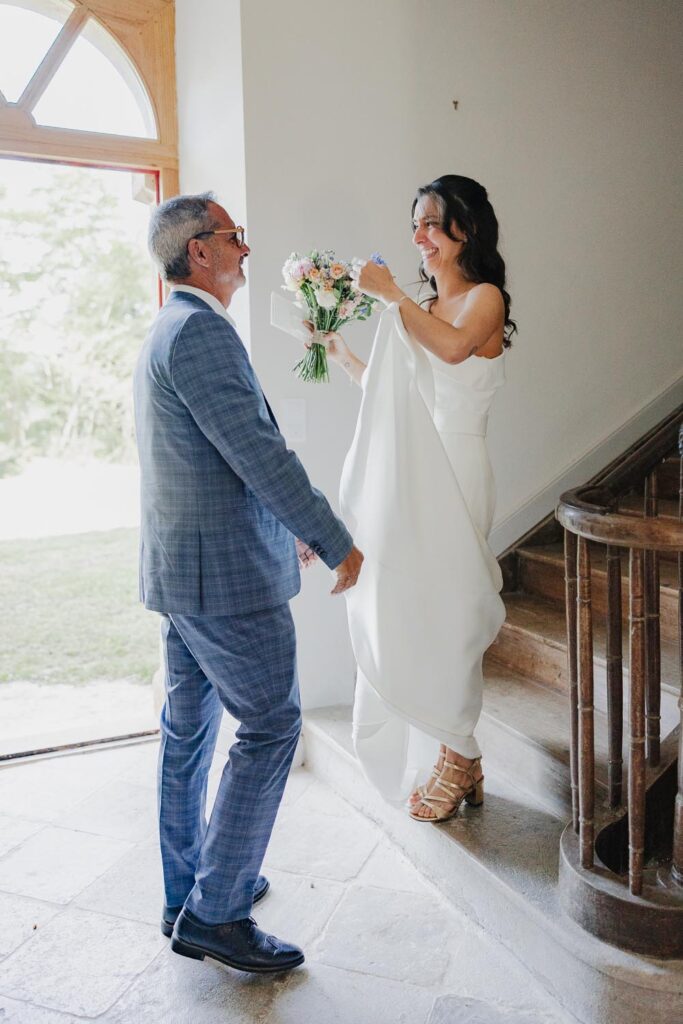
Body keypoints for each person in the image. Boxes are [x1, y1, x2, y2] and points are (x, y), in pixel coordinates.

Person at [134, 192, 363, 973]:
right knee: (271, 726)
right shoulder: (200, 333)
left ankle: (189, 890)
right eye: (235, 238)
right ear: (199, 250)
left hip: (187, 569)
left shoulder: (172, 325)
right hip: (223, 582)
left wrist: (283, 526)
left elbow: (214, 464)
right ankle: (217, 911)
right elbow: (258, 453)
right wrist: (332, 538)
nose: (245, 250)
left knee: (189, 733)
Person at [313, 174, 514, 822]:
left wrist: (394, 296)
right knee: (412, 606)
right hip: (413, 471)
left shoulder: (484, 299)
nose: (419, 237)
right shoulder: (418, 309)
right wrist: (342, 356)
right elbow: (399, 396)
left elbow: (454, 352)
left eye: (431, 223)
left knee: (453, 611)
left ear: (466, 230)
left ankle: (456, 756)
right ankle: (462, 754)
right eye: (415, 226)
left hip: (456, 465)